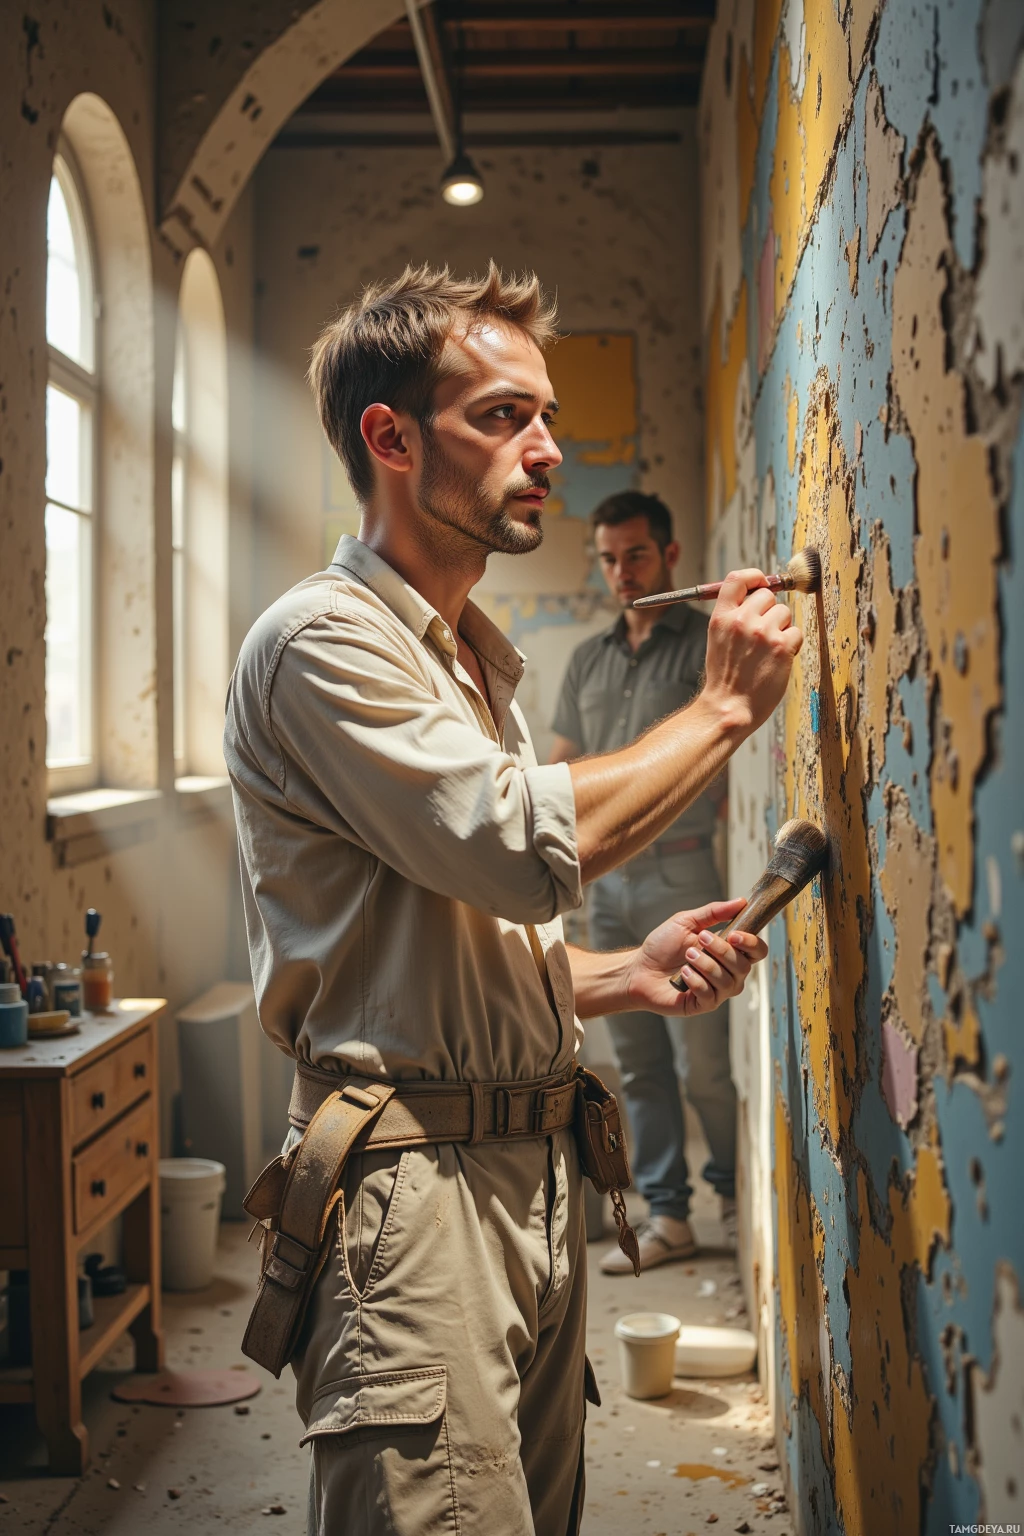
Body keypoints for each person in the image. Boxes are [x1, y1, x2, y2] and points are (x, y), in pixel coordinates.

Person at [223, 263, 801, 1536]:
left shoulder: (469, 661)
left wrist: (616, 973)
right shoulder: (321, 643)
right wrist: (721, 711)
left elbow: (443, 944)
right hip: (411, 1200)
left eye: (546, 417)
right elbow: (502, 846)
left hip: (525, 1175)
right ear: (389, 436)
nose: (547, 450)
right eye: (499, 417)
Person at [550, 491, 736, 1275]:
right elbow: (564, 768)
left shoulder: (704, 642)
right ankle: (669, 1215)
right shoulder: (588, 659)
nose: (622, 573)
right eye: (609, 558)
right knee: (640, 1060)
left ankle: (731, 1195)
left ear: (669, 557)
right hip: (608, 881)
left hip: (683, 865)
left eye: (636, 555)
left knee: (703, 1060)